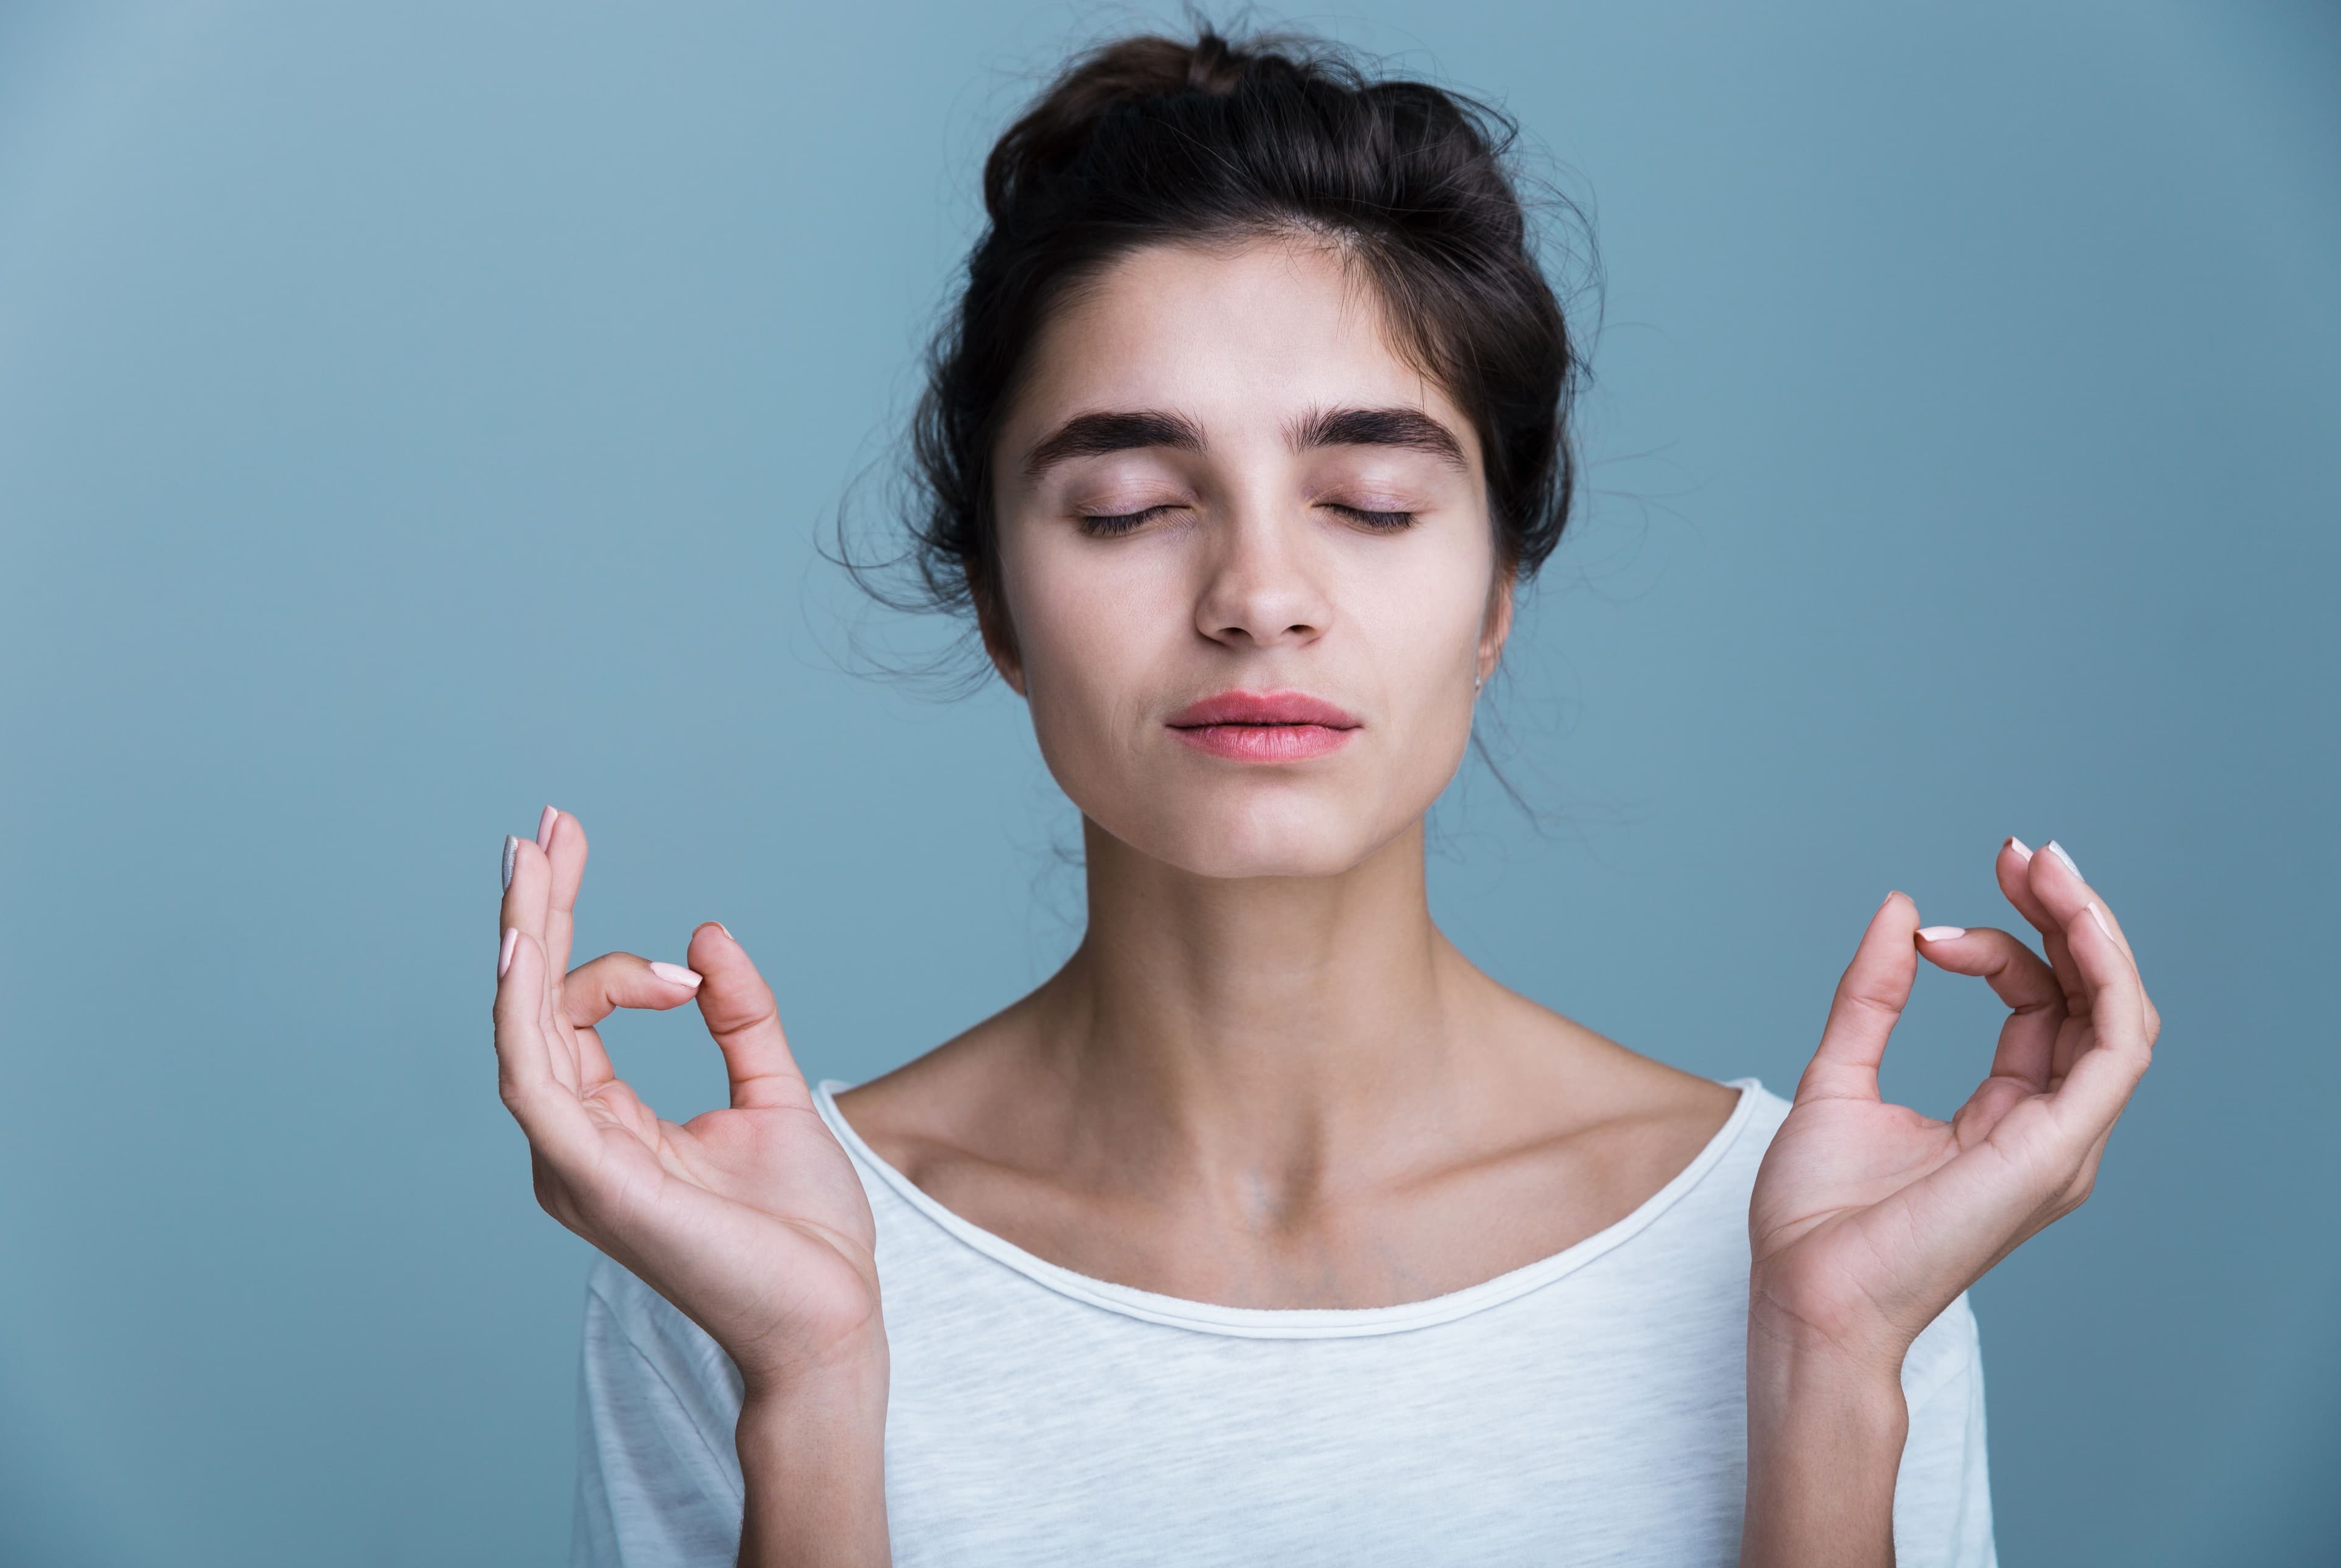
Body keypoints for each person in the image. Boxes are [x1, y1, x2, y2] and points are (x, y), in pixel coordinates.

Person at [490, 27, 2158, 1568]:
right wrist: (814, 1383)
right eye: (1133, 506)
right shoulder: (743, 1254)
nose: (1259, 594)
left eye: (1367, 500)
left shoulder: (1839, 1236)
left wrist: (1831, 1364)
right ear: (997, 603)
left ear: (1500, 591)